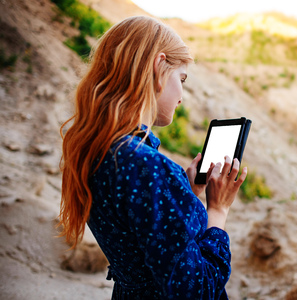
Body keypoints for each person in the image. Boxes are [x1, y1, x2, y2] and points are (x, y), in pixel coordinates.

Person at [58, 15, 247, 299]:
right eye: (180, 78)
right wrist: (218, 210)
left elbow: (140, 236)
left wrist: (185, 191)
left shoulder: (97, 149)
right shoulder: (148, 167)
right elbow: (196, 290)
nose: (182, 94)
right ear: (159, 67)